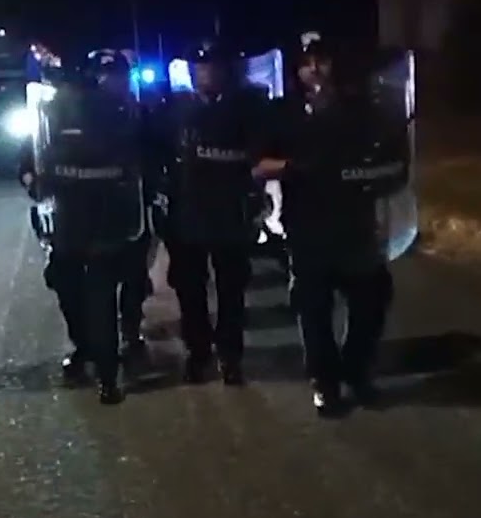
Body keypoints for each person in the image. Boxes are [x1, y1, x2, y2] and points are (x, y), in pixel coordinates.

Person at [254, 35, 403, 415]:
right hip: (307, 226)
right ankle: (325, 381)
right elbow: (256, 165)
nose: (315, 68)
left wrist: (380, 174)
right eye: (307, 62)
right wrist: (292, 167)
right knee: (313, 309)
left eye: (322, 59)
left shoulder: (361, 109)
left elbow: (389, 157)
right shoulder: (281, 112)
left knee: (371, 303)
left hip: (356, 224)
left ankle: (355, 371)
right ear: (296, 69)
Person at [20, 51, 145, 404]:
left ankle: (107, 374)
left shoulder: (117, 116)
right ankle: (85, 347)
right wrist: (33, 180)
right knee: (68, 291)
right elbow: (29, 160)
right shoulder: (49, 118)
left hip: (105, 222)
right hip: (65, 224)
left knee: (101, 297)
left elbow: (134, 165)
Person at [148, 40, 268, 386]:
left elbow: (260, 153)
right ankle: (198, 351)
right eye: (200, 67)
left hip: (232, 212)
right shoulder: (173, 109)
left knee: (232, 290)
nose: (207, 73)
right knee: (189, 288)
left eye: (213, 66)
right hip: (186, 213)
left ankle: (230, 355)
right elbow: (151, 150)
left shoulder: (249, 107)